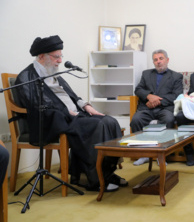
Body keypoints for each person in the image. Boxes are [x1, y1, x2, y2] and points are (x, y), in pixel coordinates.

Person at [15, 35, 127, 192]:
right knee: (98, 125)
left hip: (74, 116)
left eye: (61, 56)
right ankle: (94, 179)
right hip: (54, 121)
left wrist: (87, 106)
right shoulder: (27, 77)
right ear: (41, 56)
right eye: (56, 56)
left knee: (109, 120)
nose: (60, 61)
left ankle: (107, 173)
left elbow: (73, 96)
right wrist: (66, 112)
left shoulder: (53, 74)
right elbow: (34, 105)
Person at [130, 49, 183, 165]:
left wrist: (156, 101)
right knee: (136, 120)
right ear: (153, 62)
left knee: (168, 120)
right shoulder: (146, 74)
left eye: (161, 58)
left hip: (165, 108)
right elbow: (138, 90)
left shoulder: (176, 76)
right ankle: (144, 154)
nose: (158, 62)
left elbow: (177, 95)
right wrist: (149, 96)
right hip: (146, 108)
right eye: (155, 60)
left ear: (167, 60)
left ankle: (161, 155)